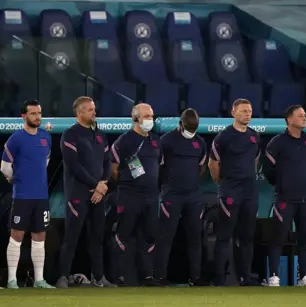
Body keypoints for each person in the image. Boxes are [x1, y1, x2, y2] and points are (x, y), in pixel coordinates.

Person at [56, 96, 116, 288]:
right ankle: (63, 276)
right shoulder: (70, 135)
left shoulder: (99, 134)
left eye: (94, 109)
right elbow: (74, 166)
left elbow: (107, 162)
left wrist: (103, 184)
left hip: (98, 194)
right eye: (90, 110)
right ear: (79, 112)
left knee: (97, 238)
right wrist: (96, 184)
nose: (94, 112)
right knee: (71, 238)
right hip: (77, 194)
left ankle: (99, 277)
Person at [263, 105, 306, 287]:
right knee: (278, 238)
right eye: (300, 115)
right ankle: (273, 276)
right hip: (284, 199)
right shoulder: (277, 143)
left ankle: (304, 276)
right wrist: (283, 184)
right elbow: (268, 171)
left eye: (305, 115)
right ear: (289, 120)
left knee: (304, 239)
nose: (305, 118)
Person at [0, 100, 55, 289]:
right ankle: (12, 280)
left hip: (41, 196)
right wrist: (14, 178)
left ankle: (39, 280)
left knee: (40, 236)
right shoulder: (16, 138)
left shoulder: (46, 137)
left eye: (39, 113)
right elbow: (5, 167)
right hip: (22, 196)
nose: (37, 117)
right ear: (24, 116)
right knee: (17, 235)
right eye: (33, 114)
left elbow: (45, 161)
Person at [208, 98, 261, 286]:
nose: (247, 114)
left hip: (249, 191)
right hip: (230, 189)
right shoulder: (223, 137)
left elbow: (255, 160)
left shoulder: (254, 136)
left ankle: (246, 277)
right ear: (233, 113)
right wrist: (223, 182)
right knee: (224, 235)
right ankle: (220, 278)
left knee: (247, 236)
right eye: (243, 111)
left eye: (250, 111)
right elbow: (213, 164)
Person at [155, 108, 210, 286]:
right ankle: (160, 276)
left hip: (193, 195)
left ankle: (195, 277)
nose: (191, 132)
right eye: (189, 128)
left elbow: (201, 167)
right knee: (166, 236)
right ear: (181, 123)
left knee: (195, 236)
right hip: (171, 194)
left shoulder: (200, 142)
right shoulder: (167, 140)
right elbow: (158, 167)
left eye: (194, 128)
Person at [110, 103, 162, 286]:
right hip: (129, 195)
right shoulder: (123, 142)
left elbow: (159, 167)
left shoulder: (155, 141)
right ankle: (120, 276)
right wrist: (128, 184)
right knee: (123, 234)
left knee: (149, 235)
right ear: (135, 118)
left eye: (152, 116)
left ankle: (147, 276)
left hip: (151, 196)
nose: (150, 120)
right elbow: (114, 170)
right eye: (146, 116)